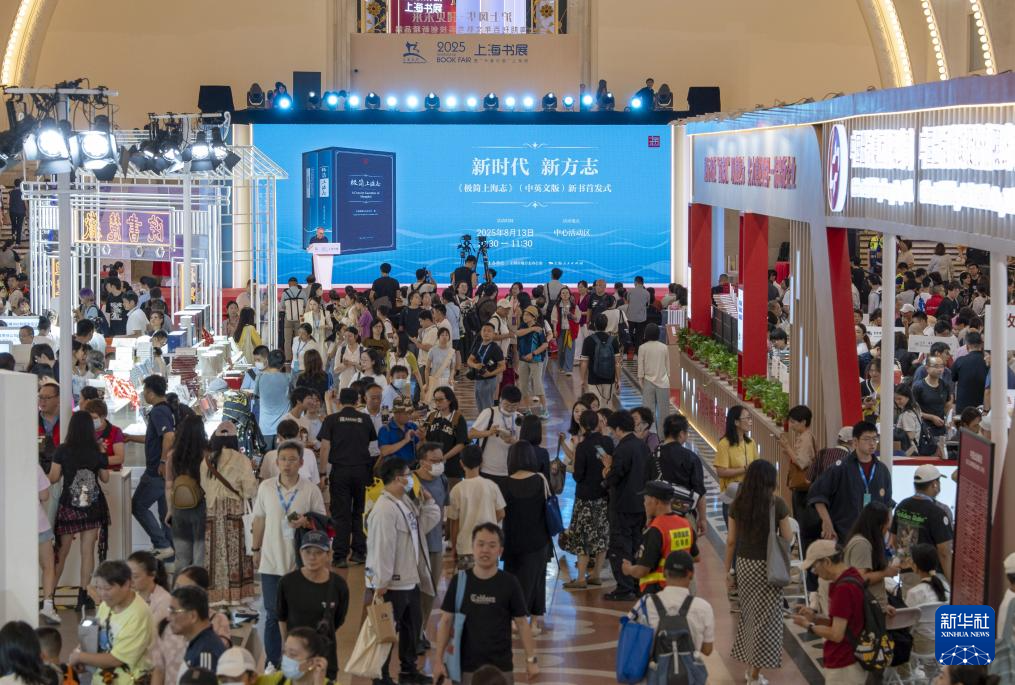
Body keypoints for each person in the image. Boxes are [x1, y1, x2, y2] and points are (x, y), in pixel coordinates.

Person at [433, 522, 540, 685]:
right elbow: (446, 621)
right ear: (472, 547)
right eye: (480, 544)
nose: (485, 550)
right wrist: (438, 661)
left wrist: (531, 660)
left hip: (501, 668)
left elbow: (522, 623)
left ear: (500, 551)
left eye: (492, 545)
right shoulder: (459, 581)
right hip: (465, 668)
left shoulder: (509, 583)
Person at [365, 456, 441, 685]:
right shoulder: (384, 509)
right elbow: (382, 548)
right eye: (408, 475)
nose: (411, 479)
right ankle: (381, 677)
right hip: (391, 584)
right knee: (387, 632)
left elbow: (421, 526)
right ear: (398, 478)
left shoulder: (404, 502)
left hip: (410, 578)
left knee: (411, 627)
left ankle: (408, 672)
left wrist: (429, 503)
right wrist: (381, 582)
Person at [251, 440, 327, 670]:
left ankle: (298, 660)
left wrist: (306, 521)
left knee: (299, 614)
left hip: (301, 564)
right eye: (283, 459)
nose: (287, 464)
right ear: (276, 462)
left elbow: (323, 524)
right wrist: (255, 550)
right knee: (273, 614)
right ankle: (273, 662)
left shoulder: (310, 490)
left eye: (292, 459)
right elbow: (259, 520)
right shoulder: (266, 487)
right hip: (271, 561)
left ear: (301, 463)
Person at [725, 460, 793, 684]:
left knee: (749, 616)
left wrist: (728, 571)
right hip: (768, 567)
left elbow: (731, 541)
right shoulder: (777, 504)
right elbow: (788, 537)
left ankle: (750, 670)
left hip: (744, 565)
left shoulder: (738, 504)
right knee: (766, 621)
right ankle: (754, 675)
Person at [48, 410, 110, 611]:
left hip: (69, 505)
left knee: (61, 552)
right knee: (88, 551)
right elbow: (105, 478)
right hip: (92, 504)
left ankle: (49, 597)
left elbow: (53, 478)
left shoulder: (62, 450)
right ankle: (83, 596)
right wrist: (102, 454)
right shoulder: (97, 451)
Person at [791, 541, 868, 684]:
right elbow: (843, 623)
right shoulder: (853, 576)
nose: (815, 572)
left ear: (826, 562)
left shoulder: (843, 589)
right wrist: (814, 617)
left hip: (843, 663)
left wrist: (808, 625)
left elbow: (836, 634)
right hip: (853, 658)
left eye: (814, 567)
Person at [278, 531, 349, 679]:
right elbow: (281, 618)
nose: (312, 557)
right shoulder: (287, 582)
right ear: (300, 552)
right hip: (296, 659)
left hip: (325, 659)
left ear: (328, 555)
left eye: (318, 552)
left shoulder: (339, 585)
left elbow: (338, 619)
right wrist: (286, 648)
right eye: (308, 551)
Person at [317, 387, 376, 567]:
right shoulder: (365, 419)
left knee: (340, 514)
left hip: (340, 471)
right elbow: (371, 445)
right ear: (358, 401)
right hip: (362, 471)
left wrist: (322, 473)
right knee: (360, 511)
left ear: (340, 401)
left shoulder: (331, 420)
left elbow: (325, 448)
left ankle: (340, 556)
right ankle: (359, 552)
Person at [69, 561, 153, 685]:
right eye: (98, 588)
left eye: (107, 588)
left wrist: (80, 657)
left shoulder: (139, 614)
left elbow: (116, 659)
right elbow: (96, 633)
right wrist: (81, 652)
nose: (102, 594)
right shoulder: (107, 604)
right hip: (102, 679)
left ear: (127, 584)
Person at [809, 421, 894, 542]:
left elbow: (888, 503)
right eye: (867, 439)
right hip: (846, 535)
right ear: (855, 442)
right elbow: (817, 494)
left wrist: (889, 526)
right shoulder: (840, 467)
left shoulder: (882, 470)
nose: (872, 443)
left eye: (875, 439)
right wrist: (827, 522)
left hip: (874, 536)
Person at [201, 421, 257, 604]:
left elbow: (203, 486)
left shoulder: (206, 461)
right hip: (235, 511)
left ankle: (217, 595)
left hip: (211, 510)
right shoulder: (242, 460)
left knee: (214, 553)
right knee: (237, 551)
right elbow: (250, 490)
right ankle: (237, 595)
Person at [500, 442, 551, 632]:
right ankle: (534, 623)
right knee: (537, 580)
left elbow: (500, 514)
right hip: (538, 539)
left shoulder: (504, 483)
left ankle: (514, 620)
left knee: (512, 579)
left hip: (512, 540)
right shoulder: (540, 480)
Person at [123, 375, 175, 558]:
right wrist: (131, 438)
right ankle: (170, 554)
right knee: (165, 514)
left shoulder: (158, 412)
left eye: (144, 391)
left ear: (151, 393)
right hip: (164, 472)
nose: (143, 394)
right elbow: (155, 438)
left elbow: (169, 437)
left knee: (137, 506)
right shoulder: (166, 409)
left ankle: (162, 545)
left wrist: (162, 461)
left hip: (156, 471)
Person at [627, 550, 715, 657]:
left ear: (664, 573)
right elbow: (707, 649)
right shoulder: (704, 607)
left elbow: (625, 630)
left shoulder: (647, 602)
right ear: (691, 575)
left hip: (656, 666)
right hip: (689, 667)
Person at [602, 410, 650, 601]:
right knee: (637, 544)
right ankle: (638, 584)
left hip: (622, 505)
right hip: (641, 505)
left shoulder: (622, 448)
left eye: (612, 430)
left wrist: (607, 470)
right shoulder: (642, 446)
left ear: (619, 429)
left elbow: (615, 477)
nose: (612, 433)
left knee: (620, 546)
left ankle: (624, 587)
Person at [622, 480, 699, 594]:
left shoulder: (656, 530)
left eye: (646, 499)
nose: (644, 503)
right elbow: (696, 557)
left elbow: (642, 571)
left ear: (655, 501)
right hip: (680, 589)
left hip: (657, 592)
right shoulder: (685, 524)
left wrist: (628, 569)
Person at [891, 464, 954, 591]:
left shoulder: (902, 506)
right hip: (930, 576)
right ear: (934, 484)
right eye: (938, 481)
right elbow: (944, 552)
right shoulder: (937, 513)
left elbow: (894, 540)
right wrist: (951, 582)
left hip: (907, 572)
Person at [414, 442, 450, 649]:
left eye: (441, 460)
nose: (439, 464)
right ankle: (411, 633)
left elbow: (444, 509)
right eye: (434, 460)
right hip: (414, 546)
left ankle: (420, 631)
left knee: (430, 592)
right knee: (413, 592)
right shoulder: (411, 481)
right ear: (422, 462)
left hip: (435, 545)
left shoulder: (442, 480)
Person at [447, 445, 505, 571]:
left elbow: (454, 523)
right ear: (482, 462)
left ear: (461, 463)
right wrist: (488, 522)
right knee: (490, 582)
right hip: (489, 547)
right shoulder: (491, 486)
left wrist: (454, 547)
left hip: (466, 547)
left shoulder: (457, 489)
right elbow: (501, 513)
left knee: (465, 582)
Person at [165, 414, 208, 570]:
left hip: (179, 508)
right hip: (201, 508)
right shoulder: (206, 455)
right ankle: (198, 585)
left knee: (182, 558)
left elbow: (169, 485)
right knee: (200, 557)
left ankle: (179, 585)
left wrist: (169, 510)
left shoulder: (173, 455)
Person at [843, 502, 899, 614]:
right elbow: (860, 578)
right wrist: (886, 572)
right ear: (879, 524)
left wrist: (884, 605)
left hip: (874, 608)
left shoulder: (865, 542)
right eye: (887, 523)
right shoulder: (861, 544)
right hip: (866, 610)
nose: (888, 528)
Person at [468, 385, 522, 488]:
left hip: (510, 470)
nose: (510, 409)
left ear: (519, 403)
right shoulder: (489, 413)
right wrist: (489, 432)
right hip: (487, 469)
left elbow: (524, 444)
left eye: (514, 406)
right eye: (506, 405)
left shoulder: (520, 418)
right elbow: (471, 434)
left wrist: (512, 441)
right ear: (500, 400)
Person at [714, 405, 759, 523]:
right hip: (732, 497)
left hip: (749, 495)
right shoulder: (724, 444)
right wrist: (745, 469)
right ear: (736, 422)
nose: (750, 421)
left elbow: (756, 466)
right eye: (747, 418)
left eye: (750, 418)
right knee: (733, 533)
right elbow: (721, 472)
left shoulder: (751, 443)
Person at [905, 542, 950, 655]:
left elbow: (907, 624)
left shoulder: (914, 593)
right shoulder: (945, 586)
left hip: (924, 645)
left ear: (915, 566)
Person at [168, 586, 226, 673]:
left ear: (193, 616)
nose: (168, 618)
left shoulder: (206, 652)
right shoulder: (198, 643)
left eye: (173, 612)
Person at [421, 386, 469, 486]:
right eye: (435, 400)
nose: (437, 402)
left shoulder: (458, 418)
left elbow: (461, 444)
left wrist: (443, 457)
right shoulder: (431, 416)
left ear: (449, 400)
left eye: (440, 399)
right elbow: (425, 438)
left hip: (452, 469)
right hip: (431, 467)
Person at [780, 404, 818, 520]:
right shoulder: (806, 436)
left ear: (803, 422)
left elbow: (801, 462)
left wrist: (787, 447)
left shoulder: (805, 438)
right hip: (805, 485)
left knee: (802, 519)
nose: (791, 425)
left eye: (793, 422)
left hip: (803, 486)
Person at [580, 314, 621, 408]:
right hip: (609, 379)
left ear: (594, 324)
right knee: (607, 406)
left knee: (594, 406)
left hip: (593, 379)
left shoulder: (588, 340)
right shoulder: (613, 340)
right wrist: (618, 379)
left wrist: (582, 379)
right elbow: (617, 363)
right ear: (607, 325)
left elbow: (584, 362)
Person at [254, 350, 291, 450]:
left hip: (265, 427)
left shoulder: (260, 377)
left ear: (267, 362)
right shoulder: (289, 378)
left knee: (266, 457)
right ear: (283, 364)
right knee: (281, 456)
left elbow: (256, 396)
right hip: (283, 427)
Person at [637, 322, 670, 433]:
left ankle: (649, 434)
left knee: (647, 412)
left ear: (646, 334)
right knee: (664, 412)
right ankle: (663, 436)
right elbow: (668, 367)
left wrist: (640, 380)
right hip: (663, 382)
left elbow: (640, 367)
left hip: (648, 382)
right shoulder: (664, 347)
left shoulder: (642, 348)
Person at [467, 321, 506, 413]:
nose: (486, 333)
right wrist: (475, 365)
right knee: (479, 403)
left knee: (487, 405)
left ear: (494, 334)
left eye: (489, 331)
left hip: (489, 380)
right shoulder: (478, 345)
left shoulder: (495, 348)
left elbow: (503, 367)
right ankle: (482, 420)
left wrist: (490, 374)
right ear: (481, 333)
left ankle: (489, 421)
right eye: (484, 330)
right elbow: (469, 360)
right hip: (478, 379)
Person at [952, 331, 987, 412]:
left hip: (963, 406)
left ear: (967, 346)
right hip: (983, 406)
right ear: (981, 345)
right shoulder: (988, 362)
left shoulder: (960, 361)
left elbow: (953, 378)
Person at [281, 278, 307, 363]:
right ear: (296, 283)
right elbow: (305, 304)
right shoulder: (302, 292)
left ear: (289, 284)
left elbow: (282, 306)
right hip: (300, 318)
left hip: (288, 318)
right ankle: (299, 357)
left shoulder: (285, 293)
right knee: (300, 338)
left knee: (287, 339)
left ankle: (288, 358)